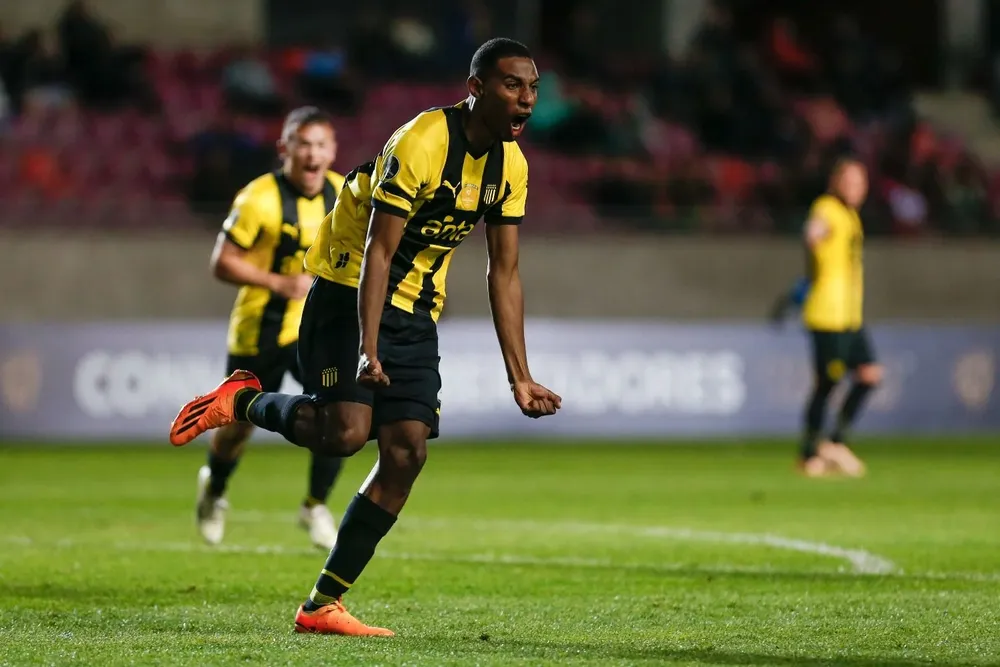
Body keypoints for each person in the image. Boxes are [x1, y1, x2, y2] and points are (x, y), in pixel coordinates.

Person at [169, 38, 561, 636]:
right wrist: (368, 348)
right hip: (347, 289)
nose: (526, 99)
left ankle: (321, 605)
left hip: (417, 308)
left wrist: (521, 377)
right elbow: (379, 250)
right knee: (344, 435)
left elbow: (503, 271)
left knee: (407, 452)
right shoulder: (422, 142)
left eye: (532, 87)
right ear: (476, 88)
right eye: (513, 85)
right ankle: (242, 400)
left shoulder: (512, 168)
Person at [195, 106, 347, 550]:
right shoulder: (258, 198)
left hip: (315, 331)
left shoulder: (344, 195)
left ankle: (315, 505)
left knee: (340, 412)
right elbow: (222, 262)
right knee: (238, 427)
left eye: (321, 145)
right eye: (304, 145)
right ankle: (214, 488)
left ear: (332, 151)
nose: (312, 154)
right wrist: (279, 283)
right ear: (285, 148)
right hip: (259, 329)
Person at [799, 158, 882, 477]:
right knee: (827, 383)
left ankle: (834, 442)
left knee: (869, 375)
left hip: (849, 315)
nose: (855, 188)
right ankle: (809, 453)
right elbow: (814, 231)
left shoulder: (851, 216)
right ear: (836, 183)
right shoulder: (828, 208)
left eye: (860, 183)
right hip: (827, 313)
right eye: (849, 182)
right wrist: (814, 236)